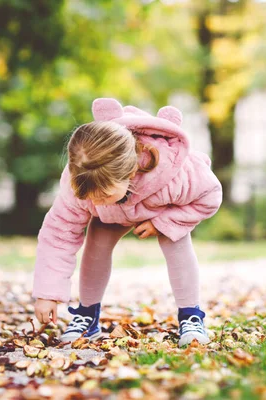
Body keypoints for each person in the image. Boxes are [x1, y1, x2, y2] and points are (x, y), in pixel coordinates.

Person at [31, 98, 222, 346]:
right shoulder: (80, 180)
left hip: (160, 209)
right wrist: (48, 294)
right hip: (111, 218)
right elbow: (59, 235)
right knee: (97, 239)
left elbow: (210, 197)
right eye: (89, 196)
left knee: (177, 242)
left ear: (131, 173)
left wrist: (164, 223)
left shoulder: (174, 173)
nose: (95, 200)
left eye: (103, 195)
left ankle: (191, 316)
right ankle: (87, 316)